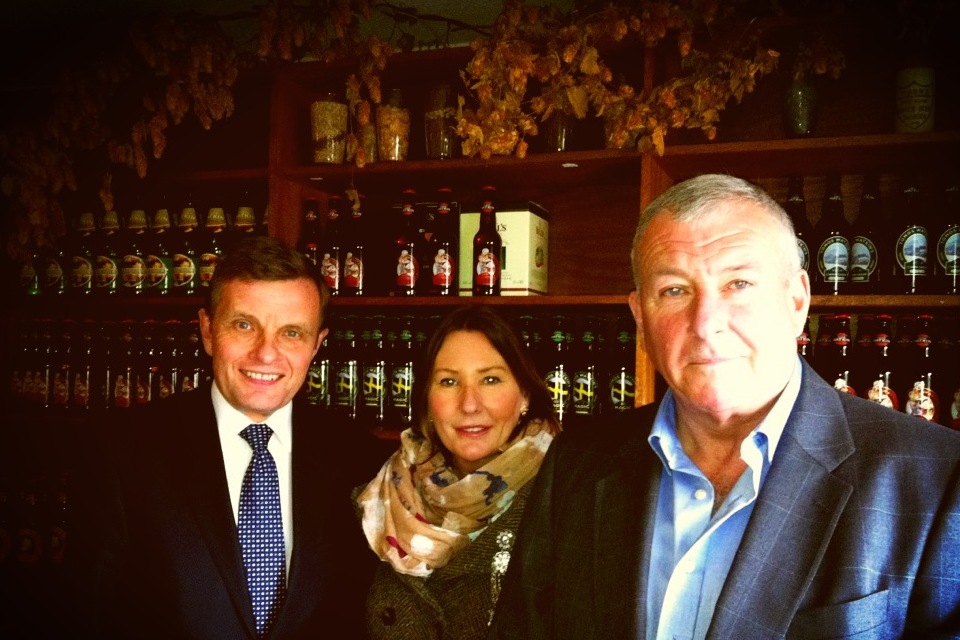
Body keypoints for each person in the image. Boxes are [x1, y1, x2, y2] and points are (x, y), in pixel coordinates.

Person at [488, 174, 960, 639]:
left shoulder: (935, 480)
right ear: (640, 317)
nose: (706, 322)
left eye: (738, 283)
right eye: (674, 290)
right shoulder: (578, 462)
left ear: (797, 301)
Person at [71, 235, 386, 640]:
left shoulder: (357, 455)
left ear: (317, 345)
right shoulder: (123, 447)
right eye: (243, 325)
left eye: (292, 333)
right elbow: (86, 614)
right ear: (207, 330)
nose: (266, 354)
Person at [354, 304, 560, 640]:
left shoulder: (566, 501)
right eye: (449, 381)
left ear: (524, 394)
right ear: (427, 400)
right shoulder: (379, 500)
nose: (469, 404)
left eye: (490, 380)